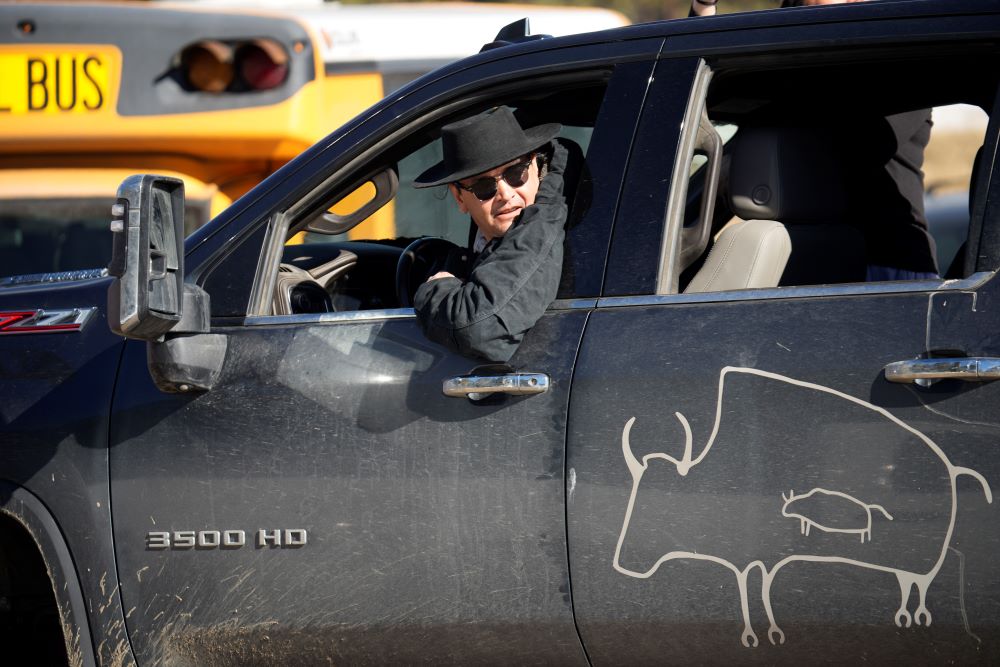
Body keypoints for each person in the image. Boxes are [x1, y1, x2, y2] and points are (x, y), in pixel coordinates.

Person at [690, 0, 939, 280]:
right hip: (807, 262)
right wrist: (704, 7)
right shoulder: (794, 80)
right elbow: (702, 85)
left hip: (890, 266)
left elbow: (854, 147)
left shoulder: (900, 66)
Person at [411, 106, 569, 362]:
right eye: (485, 186)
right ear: (459, 197)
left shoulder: (546, 221)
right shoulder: (485, 241)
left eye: (515, 173)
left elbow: (480, 327)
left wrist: (436, 291)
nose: (506, 194)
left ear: (536, 167)